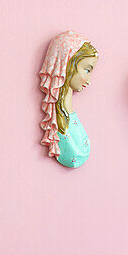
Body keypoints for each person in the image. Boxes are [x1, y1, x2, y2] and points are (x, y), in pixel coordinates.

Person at [39, 31, 98, 168]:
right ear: (66, 65)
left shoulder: (67, 121)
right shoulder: (58, 124)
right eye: (87, 70)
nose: (88, 81)